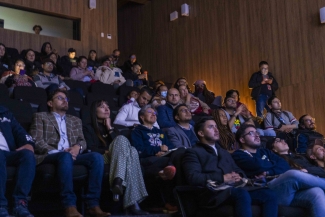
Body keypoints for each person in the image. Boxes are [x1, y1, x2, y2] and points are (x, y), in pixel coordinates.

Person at [29, 89, 110, 217]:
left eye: (66, 98)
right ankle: (69, 205)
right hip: (49, 155)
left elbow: (82, 141)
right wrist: (61, 152)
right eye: (60, 98)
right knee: (65, 156)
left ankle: (92, 204)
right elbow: (36, 141)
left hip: (72, 154)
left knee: (96, 157)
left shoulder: (75, 120)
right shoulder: (40, 117)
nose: (65, 100)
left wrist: (77, 147)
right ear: (50, 103)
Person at [182, 118, 278, 217]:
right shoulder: (193, 152)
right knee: (241, 194)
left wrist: (239, 176)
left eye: (216, 126)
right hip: (211, 194)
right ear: (201, 133)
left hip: (231, 189)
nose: (216, 130)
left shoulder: (223, 152)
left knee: (269, 194)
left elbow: (237, 169)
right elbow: (193, 177)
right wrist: (222, 178)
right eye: (211, 127)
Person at [232, 124, 325, 216]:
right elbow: (258, 166)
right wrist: (273, 164)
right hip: (267, 189)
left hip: (285, 190)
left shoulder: (265, 152)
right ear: (242, 139)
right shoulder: (239, 155)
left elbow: (284, 165)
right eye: (251, 133)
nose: (257, 135)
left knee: (316, 192)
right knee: (293, 174)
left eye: (257, 132)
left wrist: (268, 171)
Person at [83, 100, 148, 215]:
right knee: (125, 144)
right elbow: (89, 148)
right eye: (102, 107)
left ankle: (118, 182)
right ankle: (132, 203)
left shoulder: (113, 129)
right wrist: (107, 151)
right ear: (94, 111)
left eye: (107, 106)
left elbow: (121, 146)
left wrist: (109, 128)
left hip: (117, 158)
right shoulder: (88, 128)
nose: (107, 109)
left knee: (132, 151)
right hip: (100, 158)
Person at [131, 106, 181, 212]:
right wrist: (157, 149)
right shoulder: (137, 131)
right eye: (150, 112)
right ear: (142, 117)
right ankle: (169, 202)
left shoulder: (160, 132)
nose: (154, 114)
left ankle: (169, 167)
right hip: (147, 160)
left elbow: (170, 146)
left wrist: (164, 151)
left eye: (155, 113)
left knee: (180, 152)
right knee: (175, 162)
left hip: (163, 158)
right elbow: (138, 150)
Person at [0, 106, 36, 217]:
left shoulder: (4, 113)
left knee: (28, 155)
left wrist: (28, 143)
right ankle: (1, 205)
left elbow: (19, 130)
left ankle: (20, 203)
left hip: (9, 152)